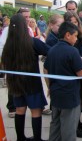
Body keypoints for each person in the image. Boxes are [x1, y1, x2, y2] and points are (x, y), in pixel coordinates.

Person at [44, 21, 82, 141]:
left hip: (56, 94)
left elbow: (46, 69)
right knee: (69, 129)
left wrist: (49, 87)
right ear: (68, 35)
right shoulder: (72, 51)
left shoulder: (52, 50)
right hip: (70, 97)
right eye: (75, 36)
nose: (76, 39)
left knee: (55, 124)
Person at [2, 13, 50, 141]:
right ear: (24, 26)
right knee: (36, 111)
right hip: (32, 84)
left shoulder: (8, 46)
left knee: (20, 110)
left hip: (16, 84)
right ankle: (37, 139)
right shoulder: (32, 42)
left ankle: (20, 138)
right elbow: (49, 51)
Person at [0, 7, 33, 119]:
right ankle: (12, 107)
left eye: (29, 16)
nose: (28, 19)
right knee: (13, 85)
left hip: (26, 62)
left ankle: (24, 105)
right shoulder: (8, 29)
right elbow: (2, 46)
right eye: (25, 17)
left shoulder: (29, 29)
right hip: (13, 62)